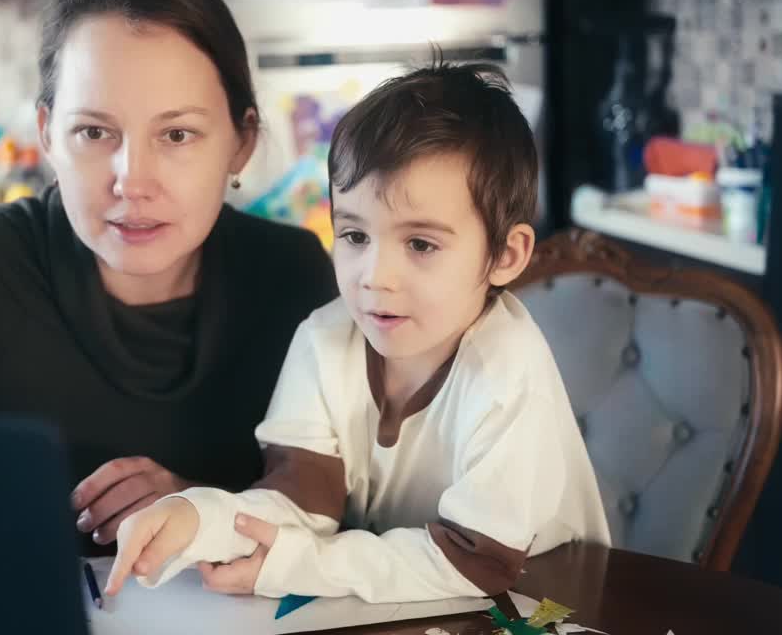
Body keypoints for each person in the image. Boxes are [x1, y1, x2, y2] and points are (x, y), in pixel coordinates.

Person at [0, 0, 337, 552]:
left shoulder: (293, 277)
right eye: (95, 133)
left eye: (177, 135)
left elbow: (352, 515)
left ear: (241, 143)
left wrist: (200, 513)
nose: (132, 180)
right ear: (48, 134)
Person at [106, 61, 610, 602]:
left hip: (551, 604)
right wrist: (198, 519)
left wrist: (302, 564)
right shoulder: (325, 339)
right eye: (353, 235)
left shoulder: (509, 369)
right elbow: (300, 501)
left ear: (505, 255)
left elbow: (476, 561)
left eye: (420, 245)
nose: (375, 277)